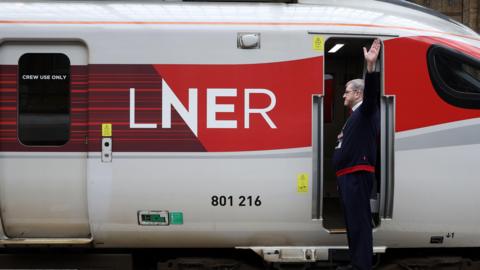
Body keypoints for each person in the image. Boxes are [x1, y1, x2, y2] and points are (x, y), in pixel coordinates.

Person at [333, 39, 381, 270]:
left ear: (358, 93)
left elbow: (372, 95)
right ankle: (356, 263)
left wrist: (370, 68)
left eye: (346, 92)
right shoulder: (355, 116)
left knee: (360, 224)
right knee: (353, 224)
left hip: (356, 175)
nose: (343, 95)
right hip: (347, 176)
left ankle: (362, 266)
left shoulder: (366, 109)